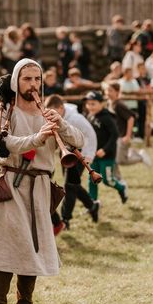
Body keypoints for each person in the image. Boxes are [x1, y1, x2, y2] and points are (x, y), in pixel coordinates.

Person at [0, 59, 83, 304]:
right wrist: (36, 139)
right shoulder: (3, 111)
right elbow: (3, 144)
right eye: (27, 79)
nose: (33, 85)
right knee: (6, 250)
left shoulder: (48, 114)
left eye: (37, 79)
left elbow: (79, 141)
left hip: (40, 186)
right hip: (12, 182)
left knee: (31, 248)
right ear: (16, 81)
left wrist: (61, 125)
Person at [45, 94, 99, 229]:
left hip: (81, 154)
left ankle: (65, 219)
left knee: (69, 186)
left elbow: (91, 135)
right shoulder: (61, 115)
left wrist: (89, 155)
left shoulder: (76, 118)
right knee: (73, 185)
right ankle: (92, 205)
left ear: (61, 108)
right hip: (67, 153)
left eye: (54, 111)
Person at [84, 90, 128, 203]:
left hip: (107, 155)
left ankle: (122, 188)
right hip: (94, 155)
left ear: (101, 103)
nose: (90, 106)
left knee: (108, 180)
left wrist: (105, 149)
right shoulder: (89, 116)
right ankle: (92, 203)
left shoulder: (107, 117)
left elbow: (115, 135)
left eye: (93, 104)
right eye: (88, 104)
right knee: (92, 179)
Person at [104, 81, 151, 174]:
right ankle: (118, 180)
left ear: (117, 92)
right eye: (107, 90)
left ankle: (140, 157)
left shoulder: (119, 105)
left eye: (110, 91)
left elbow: (131, 118)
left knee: (120, 160)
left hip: (122, 136)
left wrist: (128, 135)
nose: (108, 93)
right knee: (114, 159)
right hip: (115, 136)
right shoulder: (110, 103)